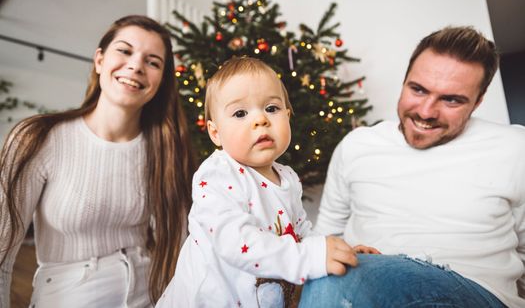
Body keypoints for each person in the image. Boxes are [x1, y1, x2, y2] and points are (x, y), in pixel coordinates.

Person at [299, 26, 525, 308]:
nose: (426, 112)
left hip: (474, 293)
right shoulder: (357, 145)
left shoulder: (515, 147)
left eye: (451, 99)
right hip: (365, 282)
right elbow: (326, 237)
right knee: (328, 274)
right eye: (418, 89)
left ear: (478, 101)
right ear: (404, 81)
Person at [0, 15, 196, 307]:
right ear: (100, 60)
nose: (136, 65)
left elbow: (184, 250)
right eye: (125, 51)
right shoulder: (36, 138)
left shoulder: (167, 148)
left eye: (153, 62)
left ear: (160, 82)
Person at [156, 57, 379, 308]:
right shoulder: (217, 175)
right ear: (215, 133)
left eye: (271, 108)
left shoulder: (288, 178)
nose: (260, 120)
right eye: (240, 113)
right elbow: (237, 242)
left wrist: (337, 251)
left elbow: (300, 233)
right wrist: (311, 257)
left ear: (288, 115)